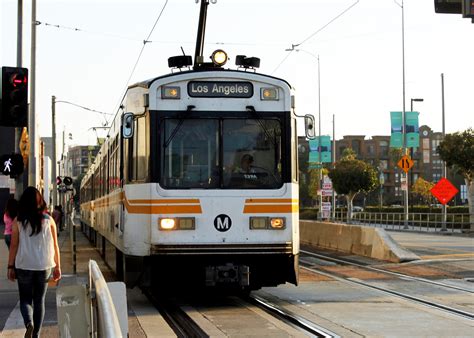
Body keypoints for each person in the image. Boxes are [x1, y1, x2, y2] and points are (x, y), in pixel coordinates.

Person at [7, 187, 61, 338]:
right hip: (44, 265)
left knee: (25, 299)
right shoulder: (49, 220)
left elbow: (13, 245)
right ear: (40, 201)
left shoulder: (18, 222)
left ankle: (28, 324)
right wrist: (58, 266)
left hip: (24, 265)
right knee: (39, 300)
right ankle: (36, 334)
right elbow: (55, 245)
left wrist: (10, 266)